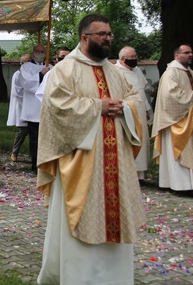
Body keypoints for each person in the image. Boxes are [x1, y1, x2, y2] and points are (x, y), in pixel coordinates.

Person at [36, 14, 145, 284]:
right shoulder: (65, 69)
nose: (107, 38)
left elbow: (134, 98)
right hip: (82, 161)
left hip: (115, 162)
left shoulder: (114, 70)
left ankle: (115, 278)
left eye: (109, 34)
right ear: (84, 38)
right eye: (101, 34)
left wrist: (125, 108)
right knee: (81, 215)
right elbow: (56, 107)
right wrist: (98, 107)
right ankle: (79, 277)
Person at [151, 44, 193, 198]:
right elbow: (169, 96)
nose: (190, 55)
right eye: (186, 52)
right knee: (178, 152)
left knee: (190, 150)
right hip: (176, 120)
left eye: (191, 52)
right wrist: (192, 95)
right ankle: (180, 185)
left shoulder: (190, 72)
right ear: (177, 55)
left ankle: (190, 184)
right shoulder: (171, 73)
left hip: (191, 118)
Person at [115, 46, 152, 180]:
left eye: (135, 57)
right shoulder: (115, 72)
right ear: (123, 58)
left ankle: (140, 175)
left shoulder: (137, 71)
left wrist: (147, 110)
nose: (135, 60)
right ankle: (129, 175)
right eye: (132, 58)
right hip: (127, 113)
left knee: (142, 140)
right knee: (130, 141)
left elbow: (141, 92)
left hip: (140, 111)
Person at [19, 44, 52, 173]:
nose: (39, 53)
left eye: (42, 51)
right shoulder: (26, 67)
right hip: (33, 108)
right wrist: (41, 75)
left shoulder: (51, 67)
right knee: (34, 138)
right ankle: (35, 163)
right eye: (37, 51)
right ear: (33, 53)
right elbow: (27, 83)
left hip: (47, 107)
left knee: (47, 138)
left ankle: (46, 162)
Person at [7, 54, 31, 162]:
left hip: (34, 107)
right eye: (27, 61)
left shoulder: (34, 73)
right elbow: (16, 92)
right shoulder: (17, 74)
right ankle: (14, 152)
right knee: (23, 131)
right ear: (21, 63)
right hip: (22, 106)